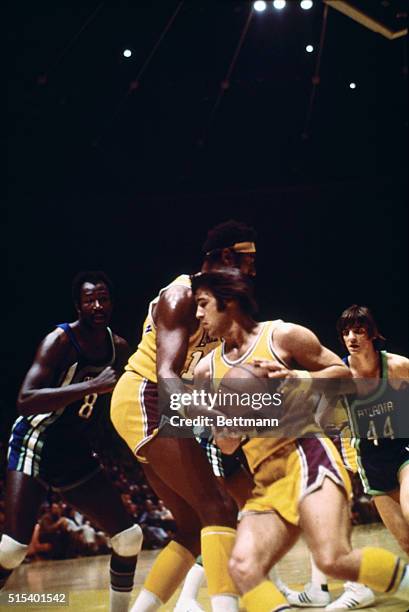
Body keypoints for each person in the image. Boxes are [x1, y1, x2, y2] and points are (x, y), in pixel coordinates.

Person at [190, 269, 409, 612]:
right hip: (266, 476)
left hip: (307, 457)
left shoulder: (283, 335)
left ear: (228, 302)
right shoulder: (206, 370)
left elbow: (341, 374)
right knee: (243, 567)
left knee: (334, 558)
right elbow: (227, 445)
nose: (198, 314)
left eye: (203, 304)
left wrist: (298, 378)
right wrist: (225, 422)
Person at [110, 220, 256, 612]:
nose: (253, 270)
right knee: (220, 508)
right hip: (147, 396)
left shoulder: (220, 304)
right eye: (248, 261)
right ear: (227, 257)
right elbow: (168, 374)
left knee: (192, 527)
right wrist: (205, 423)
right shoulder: (180, 295)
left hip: (167, 400)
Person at [0, 271, 142, 612]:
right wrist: (91, 386)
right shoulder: (59, 341)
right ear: (77, 306)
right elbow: (26, 399)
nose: (97, 305)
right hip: (36, 439)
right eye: (90, 299)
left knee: (129, 537)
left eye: (103, 298)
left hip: (74, 449)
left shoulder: (118, 347)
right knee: (13, 549)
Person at [336, 306, 409, 548]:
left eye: (358, 331)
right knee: (406, 542)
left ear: (372, 334)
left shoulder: (397, 366)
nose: (351, 338)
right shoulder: (340, 375)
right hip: (371, 460)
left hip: (402, 451)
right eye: (346, 332)